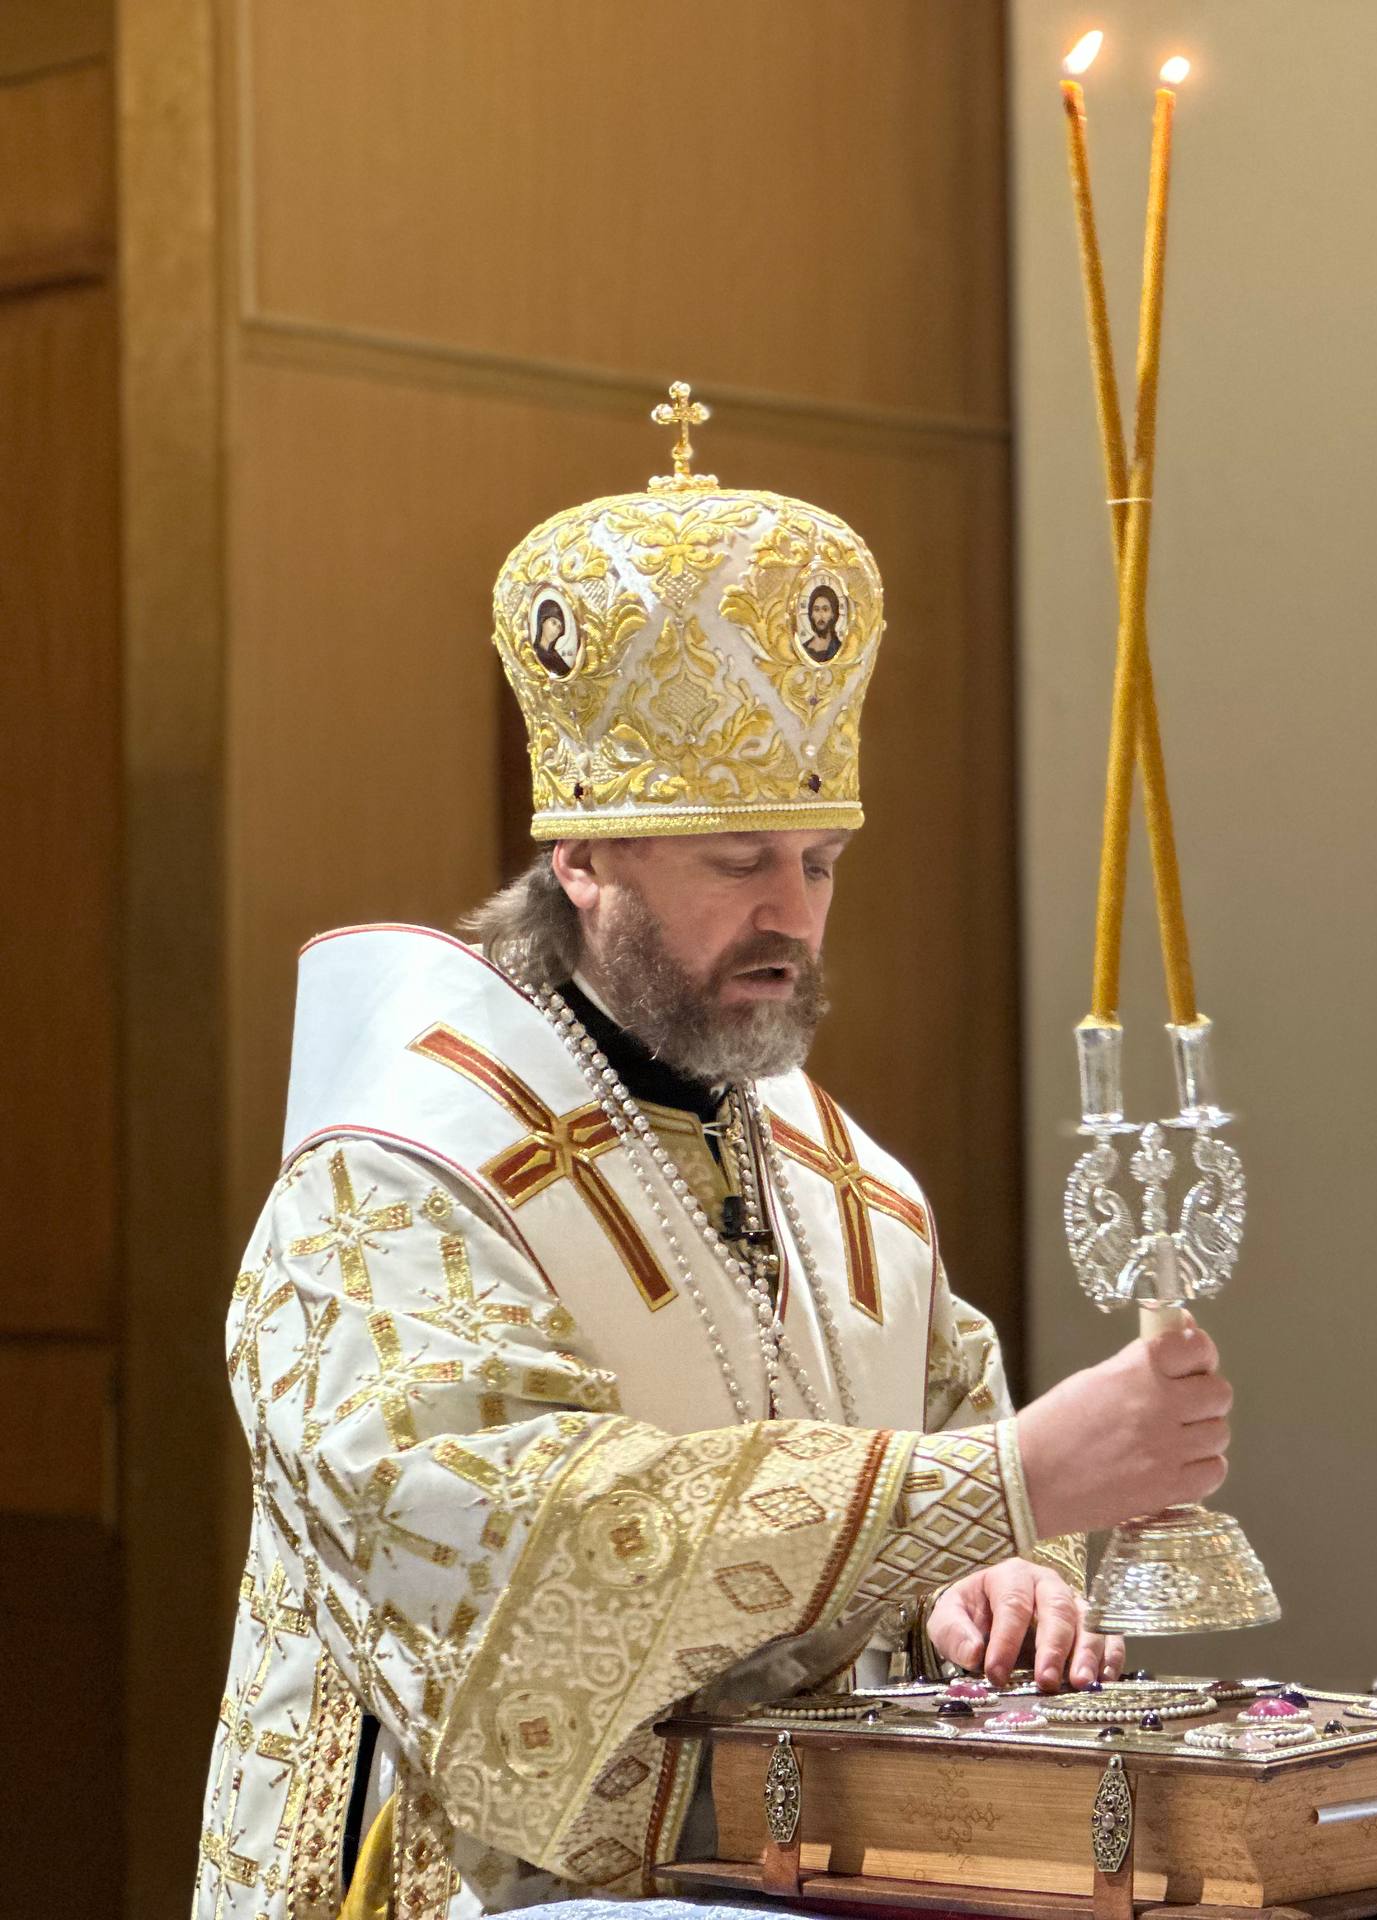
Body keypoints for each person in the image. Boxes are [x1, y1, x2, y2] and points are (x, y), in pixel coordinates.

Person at [193, 393, 1233, 1917]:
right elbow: (525, 1547)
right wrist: (1000, 1485)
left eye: (819, 862)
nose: (792, 916)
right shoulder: (392, 1177)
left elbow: (951, 1444)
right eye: (737, 861)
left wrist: (997, 1584)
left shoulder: (836, 1171)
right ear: (582, 862)